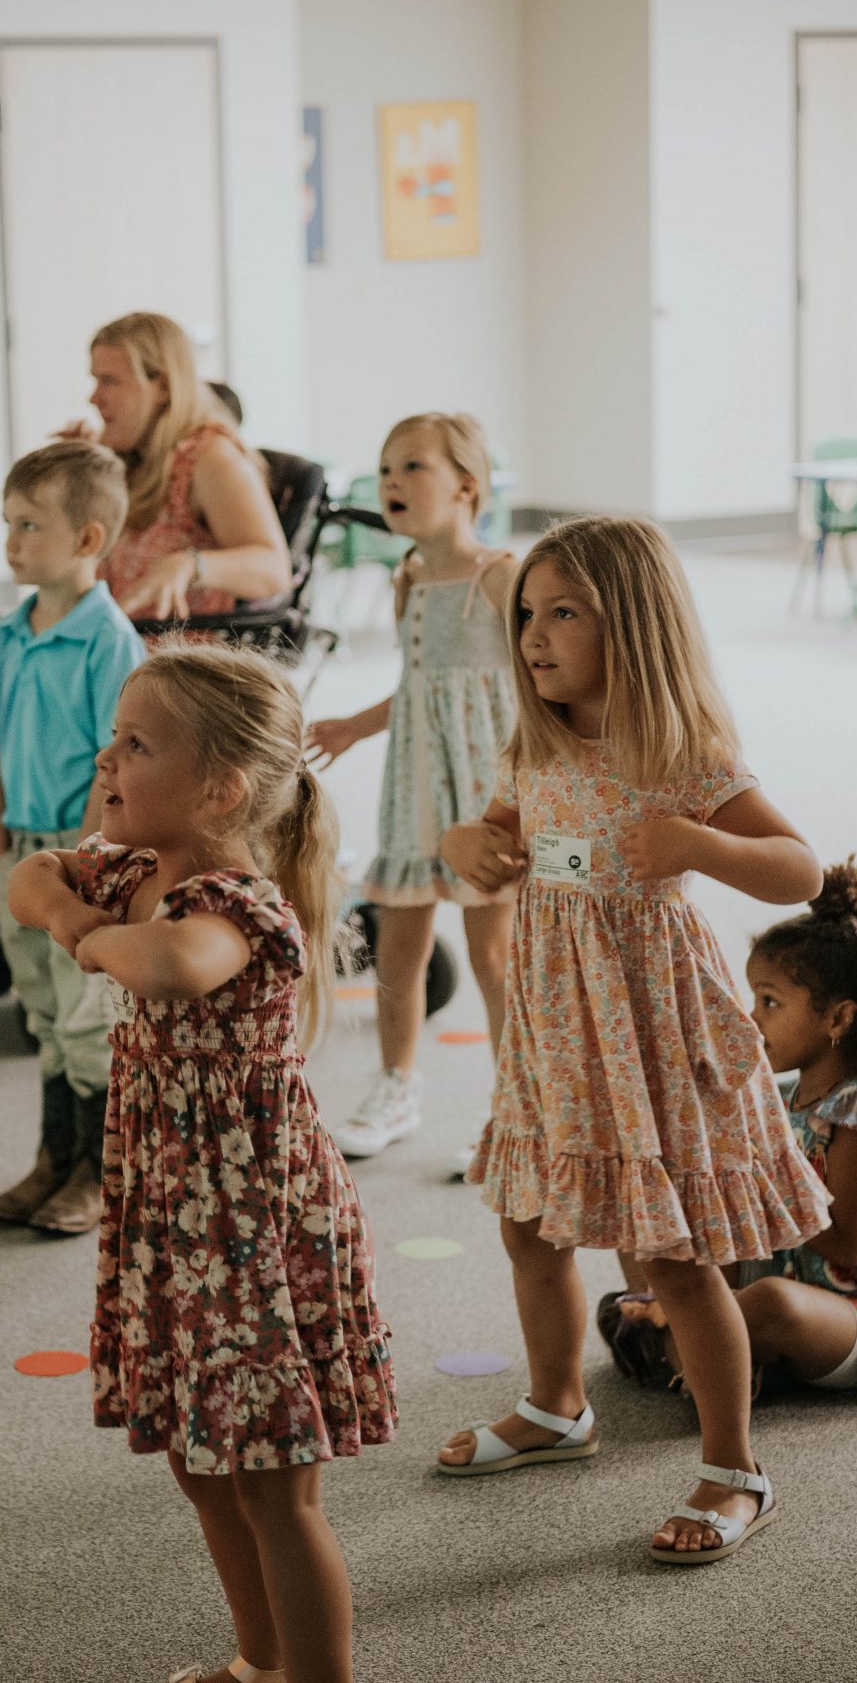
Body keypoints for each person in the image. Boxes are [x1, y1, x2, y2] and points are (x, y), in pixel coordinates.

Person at [433, 516, 829, 1567]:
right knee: (530, 1223)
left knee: (670, 1256)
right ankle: (559, 1407)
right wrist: (463, 844)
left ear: (636, 627)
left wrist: (700, 843)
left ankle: (733, 1467)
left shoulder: (682, 755)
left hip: (649, 1030)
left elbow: (799, 869)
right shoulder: (539, 746)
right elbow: (490, 844)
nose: (534, 635)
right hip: (556, 1033)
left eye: (564, 612)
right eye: (527, 613)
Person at [8, 646, 393, 1683]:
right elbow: (25, 876)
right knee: (196, 1459)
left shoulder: (238, 903)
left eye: (137, 744)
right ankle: (260, 1660)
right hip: (174, 1213)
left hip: (253, 1222)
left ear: (221, 789)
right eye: (115, 737)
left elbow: (173, 964)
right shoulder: (132, 869)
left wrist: (80, 932)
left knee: (275, 1486)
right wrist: (71, 907)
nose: (108, 757)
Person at [606, 862, 857, 1402]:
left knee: (772, 1302)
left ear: (838, 1019)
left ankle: (674, 1336)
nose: (751, 1017)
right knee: (657, 1225)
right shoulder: (779, 1096)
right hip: (782, 1296)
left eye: (770, 1002)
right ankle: (701, 1352)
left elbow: (847, 1244)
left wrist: (762, 1185)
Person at [307, 414, 517, 1165]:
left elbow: (530, 682)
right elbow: (420, 686)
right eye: (386, 468)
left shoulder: (501, 574)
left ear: (466, 484)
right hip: (416, 786)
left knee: (494, 959)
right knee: (397, 948)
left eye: (413, 467)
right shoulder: (410, 577)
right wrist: (353, 727)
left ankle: (514, 1113)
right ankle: (397, 1085)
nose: (392, 482)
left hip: (483, 785)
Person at [0, 442, 146, 1236]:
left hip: (81, 853)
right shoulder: (6, 639)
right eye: (8, 523)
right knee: (40, 1007)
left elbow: (113, 760)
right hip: (22, 848)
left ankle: (98, 1172)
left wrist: (81, 859)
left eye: (31, 525)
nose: (13, 541)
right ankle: (54, 1153)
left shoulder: (109, 640)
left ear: (88, 539)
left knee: (84, 1015)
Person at [68, 312, 289, 623]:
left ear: (163, 387)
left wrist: (189, 565)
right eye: (95, 380)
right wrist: (78, 470)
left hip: (175, 660)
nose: (93, 398)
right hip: (117, 644)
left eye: (110, 381)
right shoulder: (125, 452)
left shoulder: (210, 457)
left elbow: (273, 570)